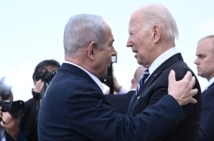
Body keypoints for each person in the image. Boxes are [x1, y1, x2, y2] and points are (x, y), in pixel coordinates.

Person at [38, 13, 198, 141]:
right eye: (110, 45)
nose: (115, 51)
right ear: (92, 50)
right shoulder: (74, 90)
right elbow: (126, 134)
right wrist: (173, 102)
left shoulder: (67, 84)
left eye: (132, 34)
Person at [126, 4, 201, 141]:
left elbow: (144, 133)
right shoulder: (158, 75)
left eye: (132, 34)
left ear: (155, 33)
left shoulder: (177, 77)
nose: (128, 42)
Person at [22, 59, 60, 141]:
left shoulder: (68, 101)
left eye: (53, 76)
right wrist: (37, 100)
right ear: (35, 81)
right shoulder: (26, 107)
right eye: (43, 77)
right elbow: (28, 134)